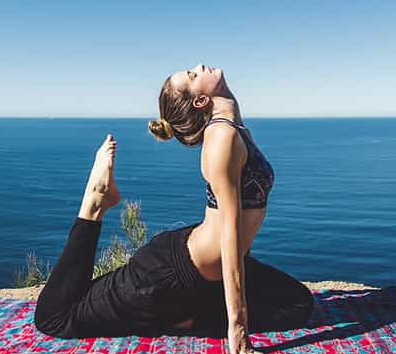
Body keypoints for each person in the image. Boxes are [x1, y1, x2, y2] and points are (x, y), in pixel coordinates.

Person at [33, 64, 314, 354]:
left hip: (203, 271)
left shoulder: (234, 129)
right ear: (201, 101)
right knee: (56, 317)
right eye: (192, 76)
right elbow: (229, 237)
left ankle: (181, 317)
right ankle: (94, 203)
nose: (199, 67)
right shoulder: (222, 138)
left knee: (298, 304)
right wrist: (238, 331)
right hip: (167, 275)